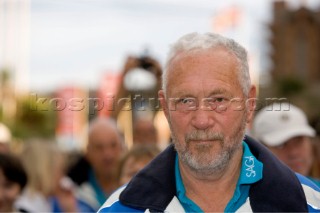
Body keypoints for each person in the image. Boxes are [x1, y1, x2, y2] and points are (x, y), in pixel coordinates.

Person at [98, 32, 320, 212]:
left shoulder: (309, 203)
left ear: (249, 104)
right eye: (186, 100)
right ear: (165, 108)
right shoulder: (119, 209)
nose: (202, 120)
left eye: (219, 100)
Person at [252, 102, 320, 187]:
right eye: (280, 145)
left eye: (299, 141)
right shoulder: (249, 197)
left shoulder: (317, 191)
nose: (294, 153)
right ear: (258, 149)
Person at [68, 117, 125, 211]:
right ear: (87, 152)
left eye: (113, 145)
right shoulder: (73, 192)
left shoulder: (135, 188)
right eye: (99, 147)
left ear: (123, 148)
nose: (108, 154)